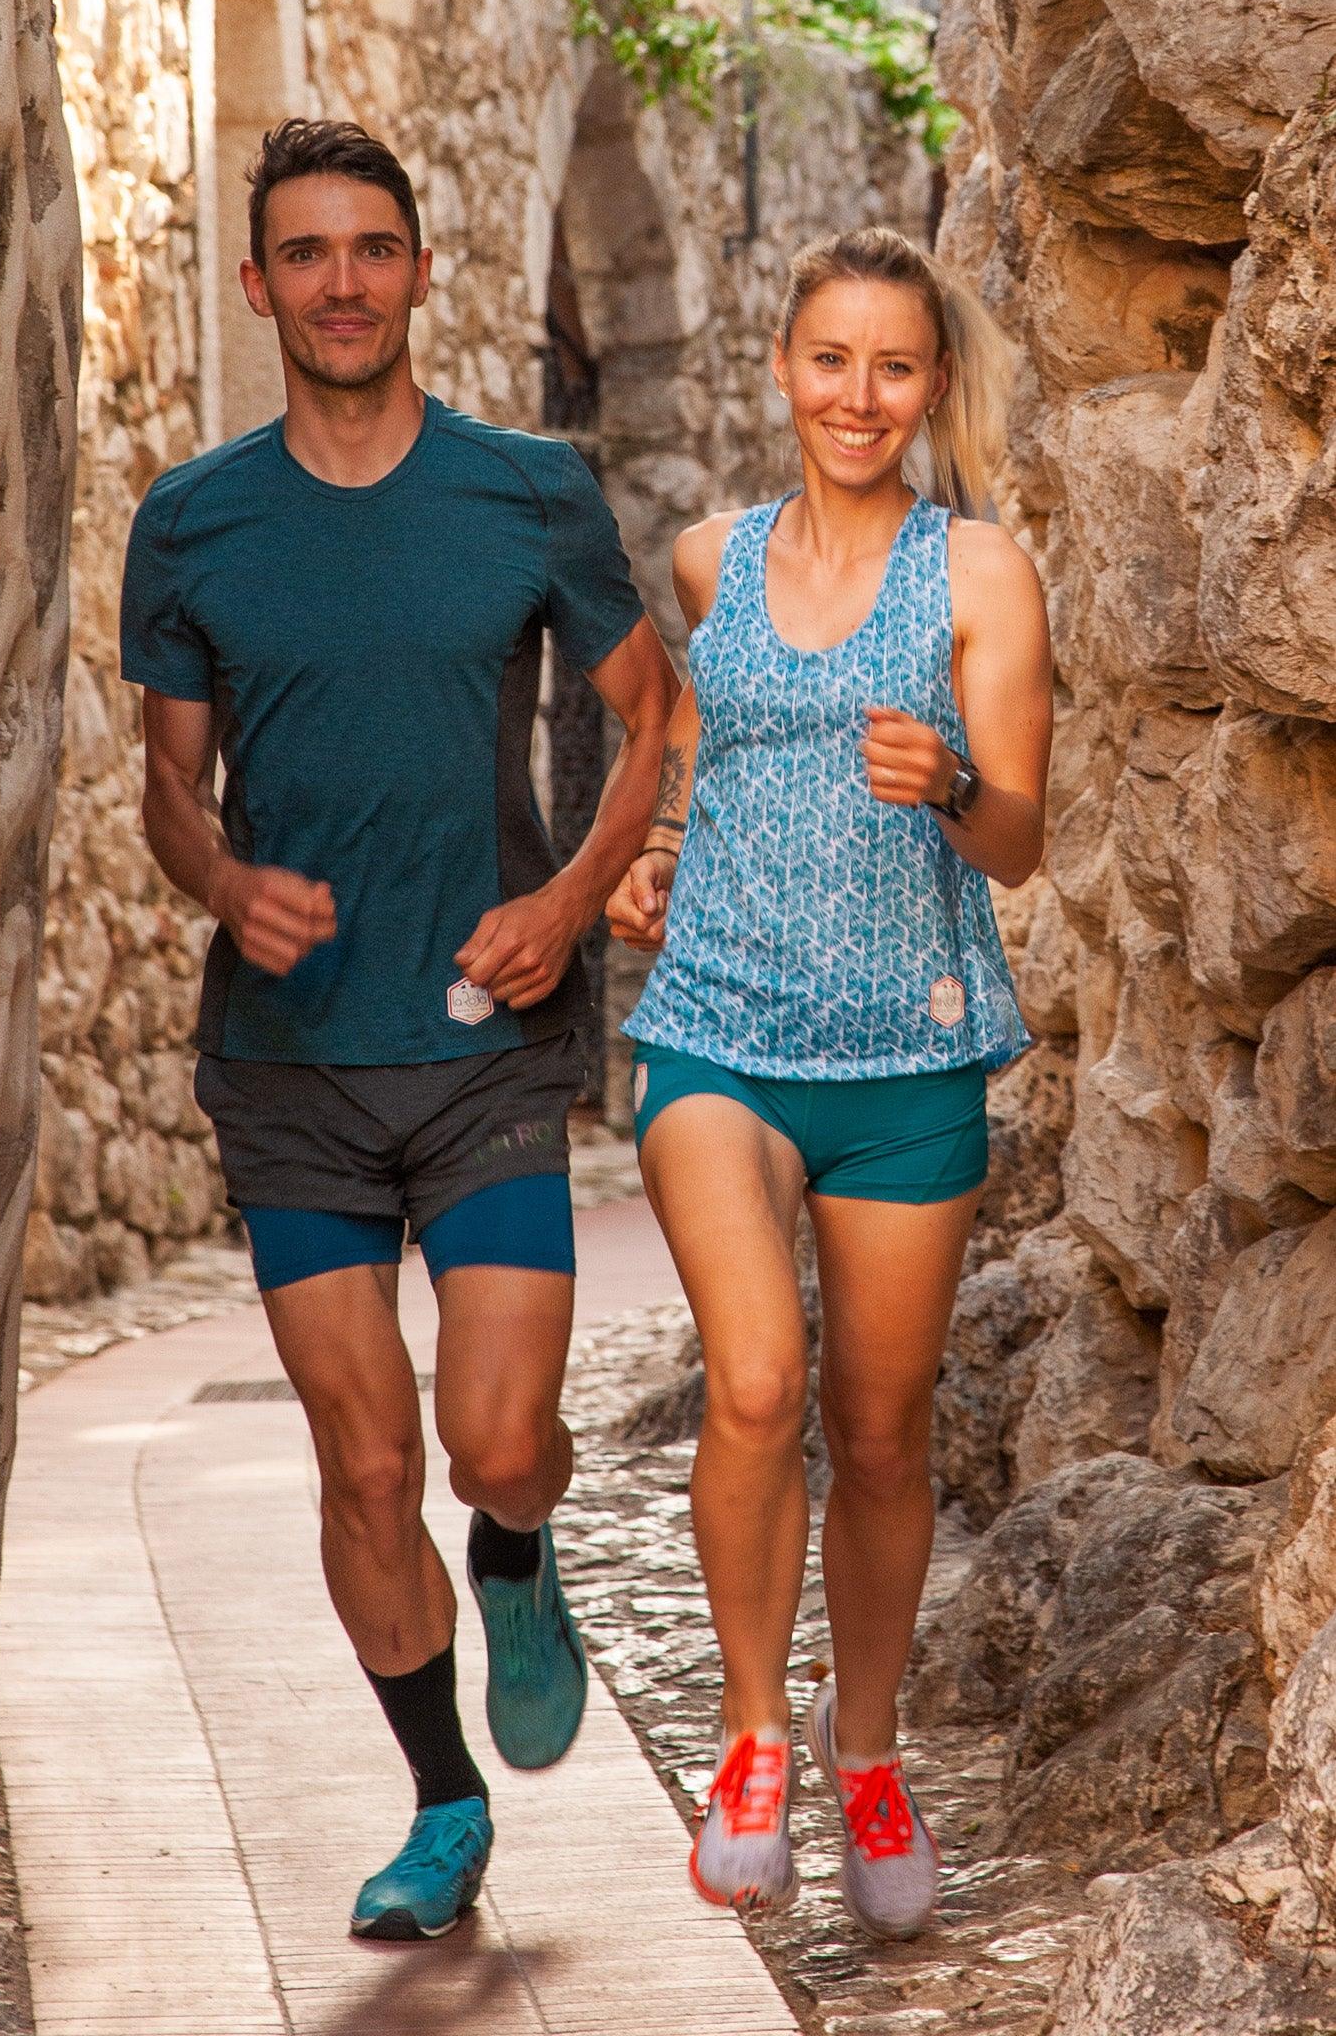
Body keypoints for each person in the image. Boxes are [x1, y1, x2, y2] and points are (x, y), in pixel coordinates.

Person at [121, 117, 677, 1942]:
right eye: (305, 251)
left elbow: (645, 717)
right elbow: (170, 793)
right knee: (363, 1460)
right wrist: (222, 885)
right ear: (262, 280)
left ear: (422, 269)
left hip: (487, 1044)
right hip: (287, 1065)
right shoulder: (192, 523)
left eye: (374, 246)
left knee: (495, 1440)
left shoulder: (529, 493)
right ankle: (442, 1806)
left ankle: (516, 1558)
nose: (342, 281)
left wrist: (576, 898)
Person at [606, 227, 1052, 1938]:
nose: (857, 396)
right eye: (828, 360)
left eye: (893, 366)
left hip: (913, 1045)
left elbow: (1019, 840)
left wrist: (949, 779)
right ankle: (751, 1738)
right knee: (758, 1381)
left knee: (878, 1431)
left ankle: (868, 1751)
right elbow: (715, 749)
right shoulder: (709, 556)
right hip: (716, 1026)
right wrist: (652, 851)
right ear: (782, 370)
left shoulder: (982, 579)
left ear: (931, 385)